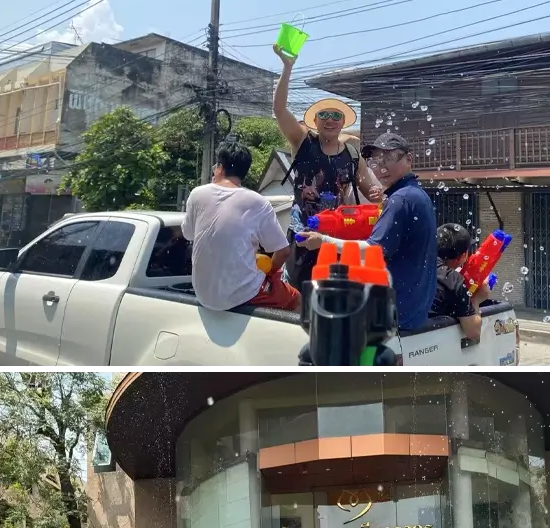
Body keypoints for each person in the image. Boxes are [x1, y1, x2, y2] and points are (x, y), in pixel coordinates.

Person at [300, 132, 438, 333]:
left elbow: (373, 250)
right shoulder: (416, 194)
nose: (382, 166)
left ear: (409, 159)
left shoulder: (400, 200)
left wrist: (323, 240)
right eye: (376, 160)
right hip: (413, 310)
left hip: (395, 313)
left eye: (389, 158)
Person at [272, 51, 382, 290]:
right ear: (315, 120)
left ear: (343, 122)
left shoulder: (352, 155)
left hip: (336, 239)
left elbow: (370, 190)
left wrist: (376, 193)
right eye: (324, 115)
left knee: (331, 297)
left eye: (336, 116)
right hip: (302, 236)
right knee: (298, 294)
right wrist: (287, 67)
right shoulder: (302, 141)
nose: (330, 120)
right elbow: (279, 110)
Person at [181, 138, 299, 313]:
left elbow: (188, 234)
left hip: (202, 294)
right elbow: (283, 252)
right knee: (297, 300)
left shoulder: (197, 194)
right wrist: (269, 273)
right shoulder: (257, 202)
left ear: (220, 167)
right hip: (243, 293)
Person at [430, 223, 491, 340]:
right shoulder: (453, 280)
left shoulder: (416, 264)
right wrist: (476, 299)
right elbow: (473, 333)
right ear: (463, 256)